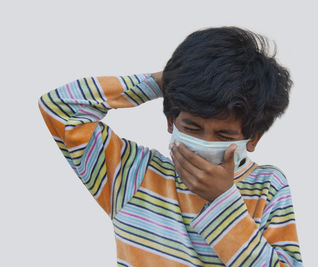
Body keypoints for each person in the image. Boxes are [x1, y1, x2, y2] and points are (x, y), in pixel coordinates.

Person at [39, 26, 302, 266]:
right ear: (170, 122)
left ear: (253, 138)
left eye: (223, 134)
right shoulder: (132, 173)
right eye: (192, 128)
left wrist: (223, 201)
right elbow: (61, 108)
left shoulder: (268, 187)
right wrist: (167, 81)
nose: (204, 143)